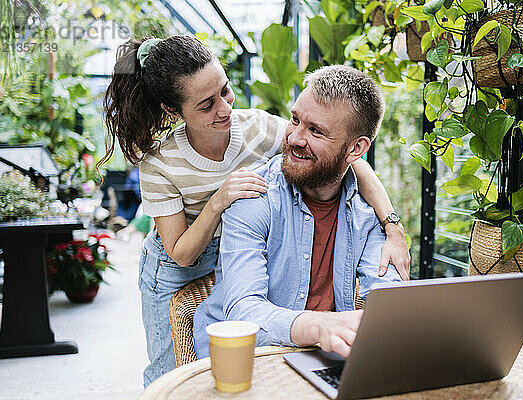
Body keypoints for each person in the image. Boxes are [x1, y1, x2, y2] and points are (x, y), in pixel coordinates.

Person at [101, 35, 409, 387]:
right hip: (175, 259)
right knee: (168, 374)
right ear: (174, 111)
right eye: (206, 105)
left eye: (226, 91)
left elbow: (353, 167)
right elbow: (185, 255)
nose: (224, 109)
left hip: (229, 249)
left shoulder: (256, 129)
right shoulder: (163, 164)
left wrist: (392, 225)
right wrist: (220, 200)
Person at [194, 65, 403, 359]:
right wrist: (320, 327)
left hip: (319, 358)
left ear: (356, 149)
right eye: (295, 120)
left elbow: (386, 292)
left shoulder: (367, 214)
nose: (294, 138)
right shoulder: (252, 196)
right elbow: (243, 311)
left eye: (315, 130)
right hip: (246, 358)